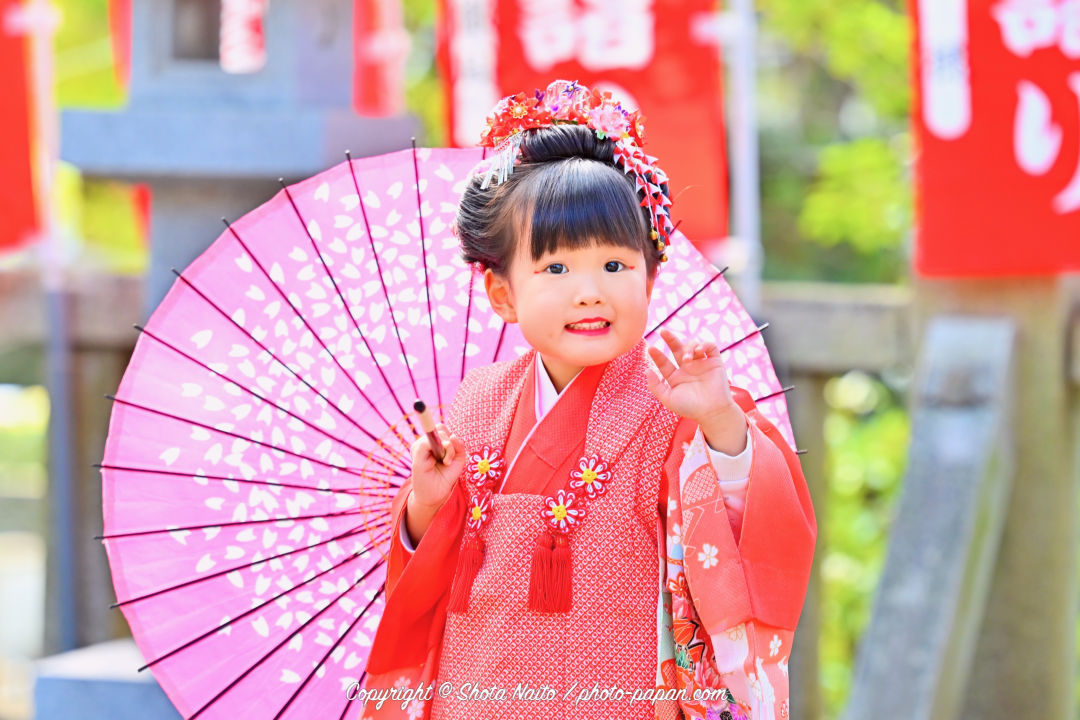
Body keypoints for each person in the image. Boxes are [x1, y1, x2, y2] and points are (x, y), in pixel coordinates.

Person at [359, 80, 816, 720]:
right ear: (502, 296)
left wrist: (718, 422)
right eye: (555, 269)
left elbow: (753, 539)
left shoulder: (680, 403)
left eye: (614, 267)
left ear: (651, 278)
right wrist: (426, 506)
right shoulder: (477, 403)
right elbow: (428, 585)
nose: (589, 292)